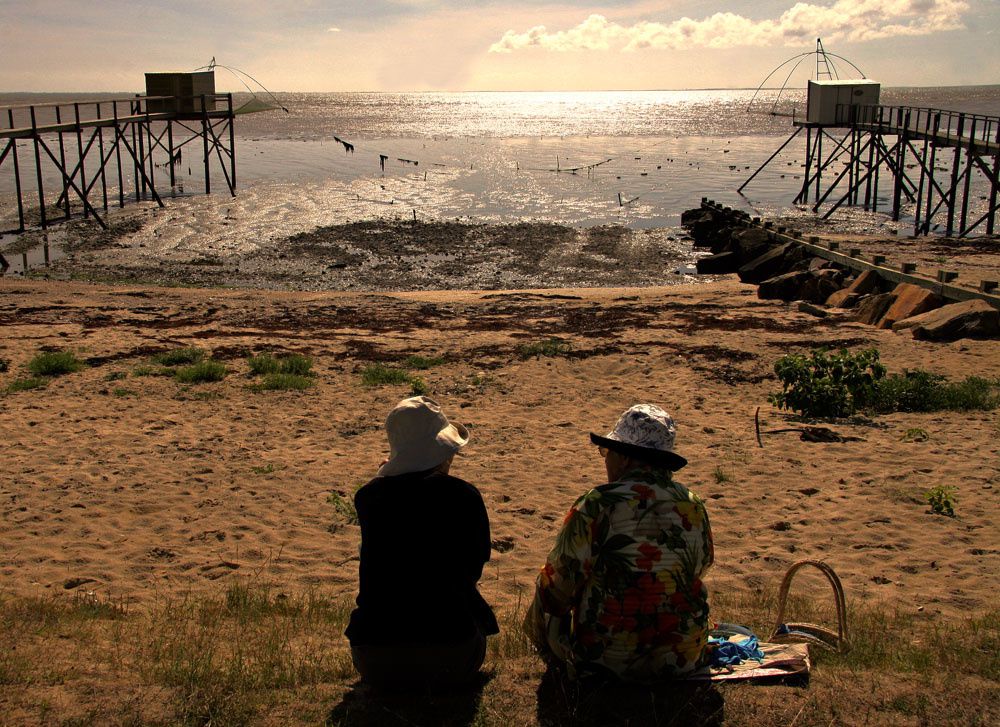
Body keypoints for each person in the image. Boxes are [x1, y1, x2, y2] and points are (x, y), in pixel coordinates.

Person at [524, 404, 714, 681]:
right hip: (683, 657)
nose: (605, 460)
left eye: (606, 451)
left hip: (607, 660)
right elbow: (702, 565)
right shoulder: (693, 505)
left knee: (548, 584)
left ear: (624, 458)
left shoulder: (597, 504)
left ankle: (555, 668)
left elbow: (560, 583)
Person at [345, 396, 499, 689]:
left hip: (374, 657)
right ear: (443, 452)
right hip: (451, 654)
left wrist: (385, 477)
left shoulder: (369, 499)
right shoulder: (464, 497)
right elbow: (473, 567)